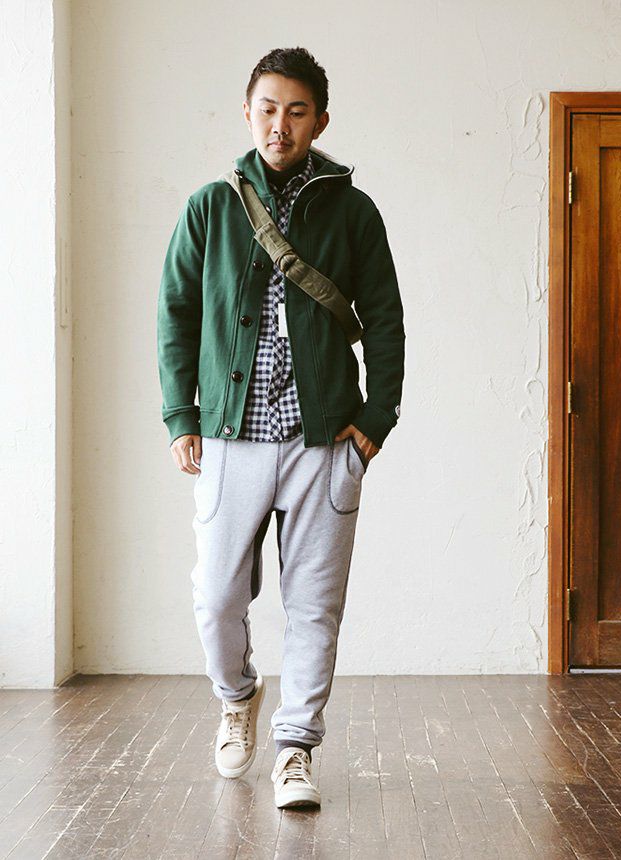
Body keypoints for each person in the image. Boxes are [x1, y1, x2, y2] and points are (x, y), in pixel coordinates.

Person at [156, 46, 405, 809]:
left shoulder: (354, 213)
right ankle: (238, 698)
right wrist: (181, 414)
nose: (280, 124)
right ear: (247, 113)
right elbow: (175, 314)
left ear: (319, 121)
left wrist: (376, 419)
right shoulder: (210, 208)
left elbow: (385, 319)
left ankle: (296, 749)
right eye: (268, 108)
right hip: (230, 436)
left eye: (297, 111)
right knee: (216, 598)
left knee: (314, 606)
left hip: (322, 441)